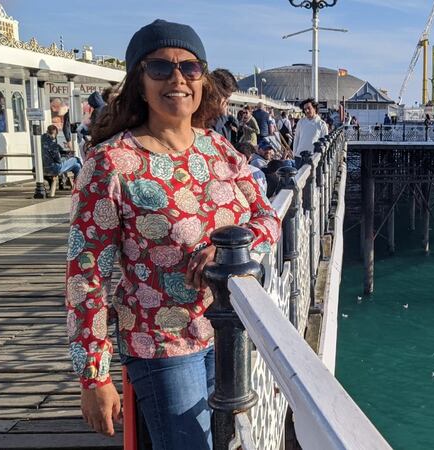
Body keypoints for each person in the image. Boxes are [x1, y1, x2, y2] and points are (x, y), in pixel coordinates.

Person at [68, 19, 280, 449]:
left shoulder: (216, 148)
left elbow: (266, 217)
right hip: (160, 344)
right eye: (160, 68)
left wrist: (228, 253)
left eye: (190, 67)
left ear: (202, 78)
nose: (178, 78)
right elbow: (87, 275)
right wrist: (94, 375)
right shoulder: (111, 163)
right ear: (139, 82)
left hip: (228, 332)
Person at [209, 68, 239, 143]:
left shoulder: (221, 114)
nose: (227, 101)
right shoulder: (204, 113)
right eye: (225, 96)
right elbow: (215, 136)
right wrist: (222, 115)